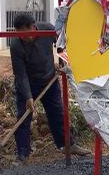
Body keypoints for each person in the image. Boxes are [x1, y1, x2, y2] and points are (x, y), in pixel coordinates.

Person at [10, 13, 90, 161]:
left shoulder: (47, 30)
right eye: (20, 35)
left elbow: (61, 44)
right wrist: (28, 96)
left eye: (26, 34)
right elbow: (20, 74)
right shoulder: (16, 45)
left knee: (58, 113)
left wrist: (62, 63)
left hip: (49, 81)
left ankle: (67, 145)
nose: (24, 38)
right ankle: (23, 153)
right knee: (24, 116)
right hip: (28, 84)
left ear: (33, 27)